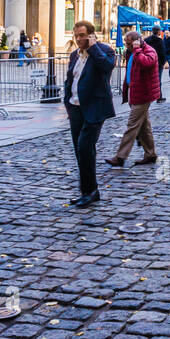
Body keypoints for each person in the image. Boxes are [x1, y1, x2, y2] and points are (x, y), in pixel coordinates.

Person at [63, 20, 116, 207]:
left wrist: (93, 47)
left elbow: (107, 66)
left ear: (91, 35)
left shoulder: (104, 50)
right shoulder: (74, 55)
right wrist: (67, 101)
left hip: (95, 108)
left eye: (82, 36)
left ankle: (90, 191)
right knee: (80, 151)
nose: (78, 39)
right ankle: (88, 190)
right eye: (76, 35)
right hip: (75, 107)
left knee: (85, 147)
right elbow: (70, 79)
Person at [106, 30, 159, 167]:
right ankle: (150, 154)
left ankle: (121, 156)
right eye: (126, 43)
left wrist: (136, 50)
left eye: (129, 44)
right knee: (144, 127)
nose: (127, 46)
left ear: (137, 41)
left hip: (144, 94)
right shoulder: (134, 52)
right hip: (135, 92)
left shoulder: (148, 51)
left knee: (132, 125)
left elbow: (146, 63)